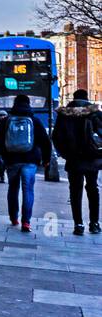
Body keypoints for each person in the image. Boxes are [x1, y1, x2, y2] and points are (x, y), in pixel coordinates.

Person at [0, 93, 53, 233]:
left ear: (14, 105)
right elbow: (46, 142)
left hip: (12, 160)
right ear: (28, 104)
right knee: (28, 190)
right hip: (30, 161)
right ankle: (26, 222)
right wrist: (47, 160)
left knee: (13, 188)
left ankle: (14, 217)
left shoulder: (5, 121)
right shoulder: (35, 121)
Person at [51, 89, 102, 236]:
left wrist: (66, 154)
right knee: (93, 189)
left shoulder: (65, 115)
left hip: (74, 159)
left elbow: (57, 137)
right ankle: (94, 223)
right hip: (93, 157)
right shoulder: (95, 113)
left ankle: (78, 224)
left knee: (75, 191)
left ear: (73, 99)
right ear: (87, 98)